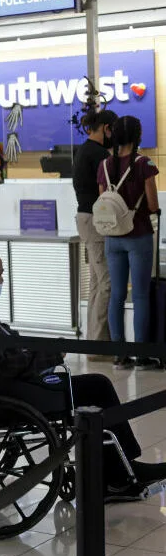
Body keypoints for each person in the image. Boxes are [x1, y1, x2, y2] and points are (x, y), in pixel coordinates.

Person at [0, 244, 166, 500]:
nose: (2, 281)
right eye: (0, 275)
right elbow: (3, 367)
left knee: (92, 385)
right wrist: (51, 355)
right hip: (4, 396)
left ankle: (116, 471)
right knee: (97, 386)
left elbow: (4, 346)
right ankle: (120, 474)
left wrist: (38, 347)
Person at [96, 116, 161, 370]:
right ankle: (142, 354)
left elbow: (105, 204)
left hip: (113, 238)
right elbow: (153, 204)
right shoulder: (143, 164)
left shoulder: (104, 165)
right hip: (139, 235)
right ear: (137, 136)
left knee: (117, 296)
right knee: (141, 295)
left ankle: (119, 354)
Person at [72, 109, 119, 356]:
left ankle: (94, 341)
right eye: (112, 129)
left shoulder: (82, 150)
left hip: (85, 218)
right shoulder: (99, 154)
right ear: (105, 127)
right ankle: (100, 346)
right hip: (95, 220)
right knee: (107, 282)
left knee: (97, 282)